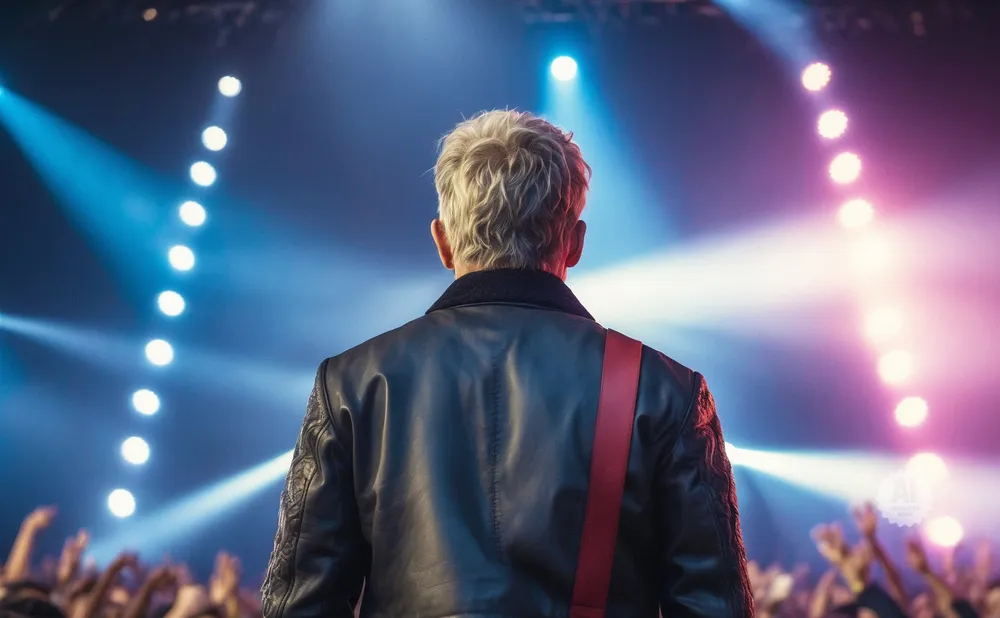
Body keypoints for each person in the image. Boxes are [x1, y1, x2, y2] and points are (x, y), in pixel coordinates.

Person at [260, 110, 754, 618]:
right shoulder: (663, 389)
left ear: (442, 241)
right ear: (576, 243)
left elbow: (299, 607)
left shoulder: (351, 382)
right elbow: (715, 607)